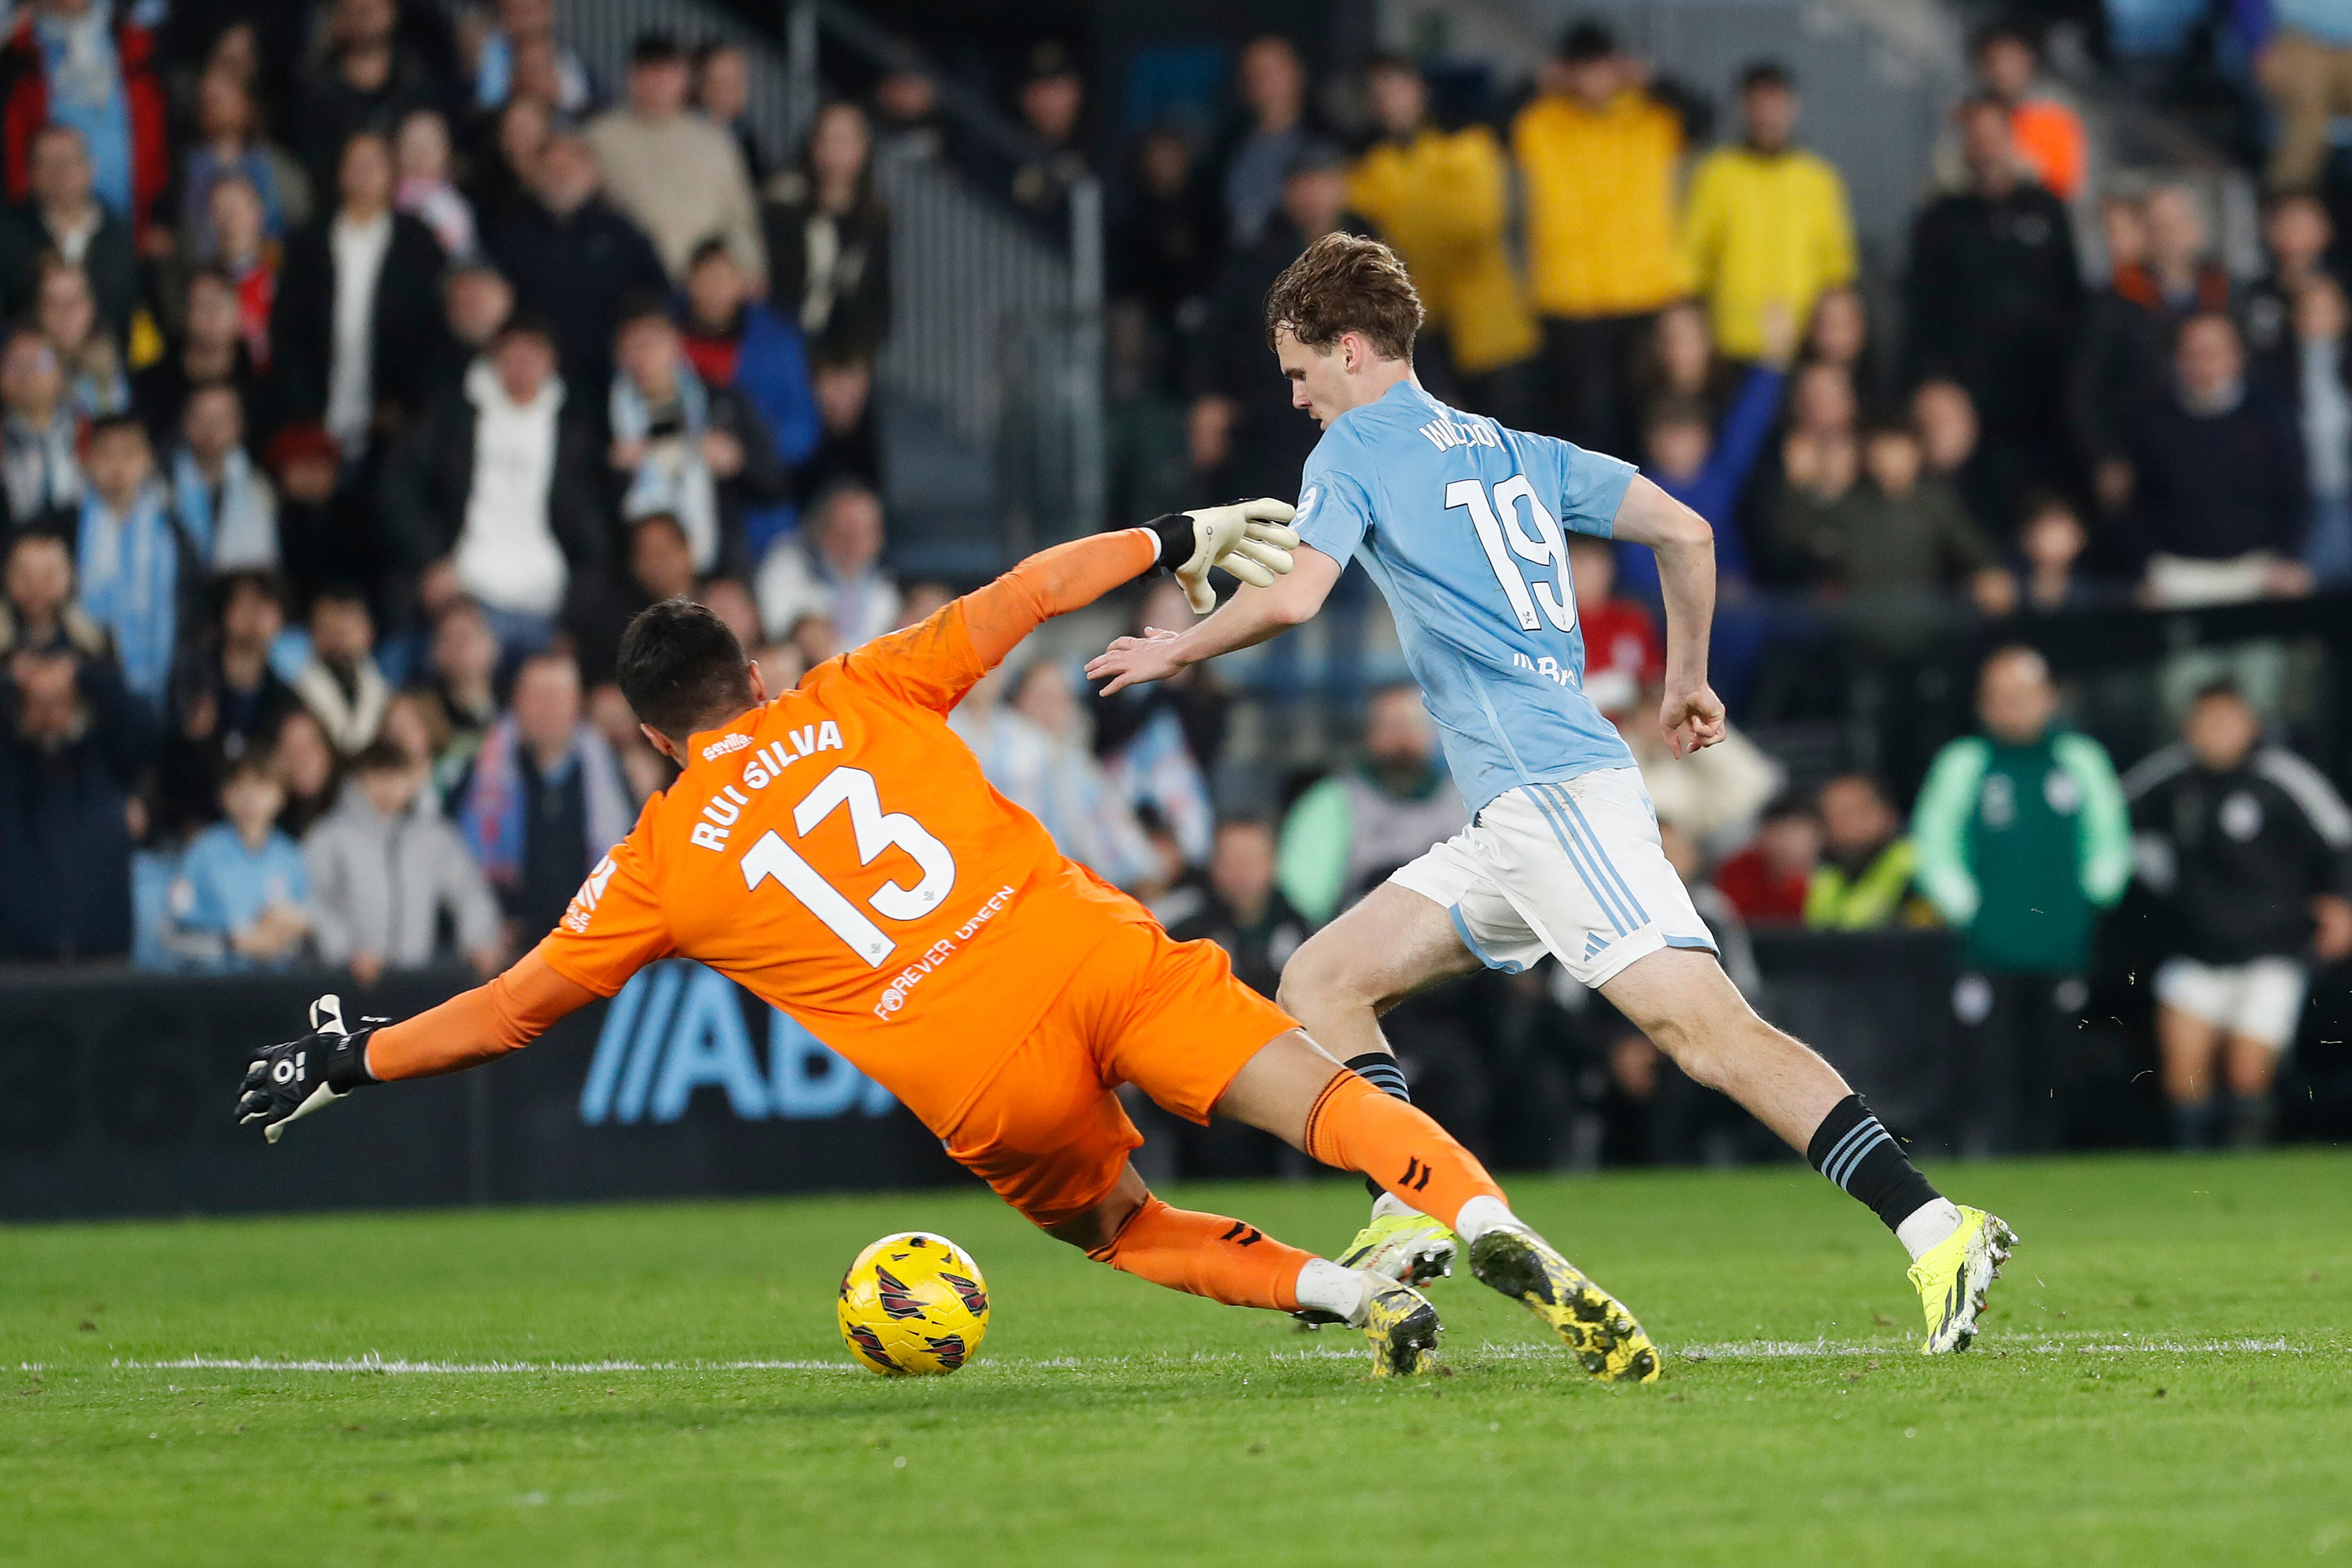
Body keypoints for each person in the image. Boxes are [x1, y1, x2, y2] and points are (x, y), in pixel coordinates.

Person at [233, 519, 1645, 1386]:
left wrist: (351, 1056)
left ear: (653, 736)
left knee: (1121, 1227)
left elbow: (507, 1012)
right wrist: (1176, 534)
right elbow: (1033, 589)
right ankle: (1475, 1218)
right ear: (752, 671)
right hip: (1084, 950)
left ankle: (1349, 1295)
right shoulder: (857, 685)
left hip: (978, 1076)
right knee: (1326, 1101)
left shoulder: (657, 858)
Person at [1087, 231, 2014, 1354]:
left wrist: (1171, 650)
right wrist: (1686, 680)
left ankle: (1930, 1224)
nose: (1294, 399)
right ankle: (1402, 1206)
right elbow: (1687, 530)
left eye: (1297, 372)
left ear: (1348, 349)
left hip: (1553, 797)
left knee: (1706, 1034)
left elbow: (1293, 602)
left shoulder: (1353, 454)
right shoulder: (1513, 446)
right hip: (1521, 812)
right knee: (1324, 976)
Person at [1911, 646, 2131, 1154]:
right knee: (1992, 1065)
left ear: (2049, 699)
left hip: (2062, 940)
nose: (2011, 709)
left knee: (2057, 1060)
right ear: (1983, 704)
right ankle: (1998, 1156)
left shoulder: (2080, 759)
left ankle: (2054, 1157)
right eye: (2000, 698)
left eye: (2023, 697)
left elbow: (2109, 840)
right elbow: (1933, 841)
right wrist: (1968, 910)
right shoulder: (1964, 762)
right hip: (1986, 945)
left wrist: (2088, 902)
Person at [2124, 682, 2352, 1149]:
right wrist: (2157, 877)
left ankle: (2247, 1170)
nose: (2215, 733)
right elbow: (2111, 820)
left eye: (2226, 721)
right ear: (2188, 728)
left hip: (2271, 953)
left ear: (2249, 724)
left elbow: (2339, 841)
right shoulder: (2170, 778)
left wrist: (2341, 904)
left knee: (2247, 1074)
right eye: (2205, 722)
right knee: (2182, 1079)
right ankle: (2192, 1183)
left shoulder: (2282, 778)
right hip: (2195, 952)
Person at [381, 307, 607, 661]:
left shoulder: (575, 429)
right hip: (464, 593)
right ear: (495, 357)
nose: (522, 365)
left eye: (533, 353)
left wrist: (576, 611)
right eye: (513, 353)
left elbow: (592, 529)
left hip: (547, 603)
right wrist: (431, 558)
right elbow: (398, 484)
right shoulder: (453, 414)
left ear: (551, 360)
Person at [1511, 20, 1690, 455]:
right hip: (1569, 298)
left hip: (1644, 293)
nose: (1593, 81)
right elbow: (1488, 119)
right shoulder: (1541, 122)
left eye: (1602, 68)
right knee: (1578, 420)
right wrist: (1538, 82)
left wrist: (1652, 80)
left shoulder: (1652, 118)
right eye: (1582, 69)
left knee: (1643, 414)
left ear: (1618, 67)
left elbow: (1702, 113)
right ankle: (1580, 519)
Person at [1907, 96, 2081, 501]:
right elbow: (1923, 310)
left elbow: (2071, 298)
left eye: (1994, 135)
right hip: (1967, 394)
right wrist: (1933, 384)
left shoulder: (2047, 209)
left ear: (2011, 139)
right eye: (1976, 136)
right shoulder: (1940, 220)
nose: (1986, 146)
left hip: (2041, 396)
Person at [1346, 54, 1537, 415]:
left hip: (1491, 333)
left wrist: (1405, 224)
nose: (1388, 101)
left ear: (1421, 91)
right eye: (1378, 93)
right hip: (1424, 335)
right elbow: (1371, 239)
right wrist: (1437, 210)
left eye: (1397, 89)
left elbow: (1478, 222)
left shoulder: (1470, 146)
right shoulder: (1369, 168)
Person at [270, 129, 447, 457]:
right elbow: (286, 327)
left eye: (374, 164)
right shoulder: (310, 240)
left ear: (393, 173)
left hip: (395, 420)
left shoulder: (418, 242)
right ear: (340, 173)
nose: (364, 174)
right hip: (316, 414)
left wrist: (405, 404)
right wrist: (302, 405)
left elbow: (431, 329)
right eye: (355, 164)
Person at [1678, 61, 1855, 367]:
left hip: (1801, 342)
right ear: (1743, 107)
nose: (1767, 116)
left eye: (1776, 104)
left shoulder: (1817, 179)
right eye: (1758, 105)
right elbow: (1691, 259)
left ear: (1793, 107)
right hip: (1729, 341)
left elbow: (1836, 265)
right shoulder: (1716, 174)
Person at [2125, 313, 2310, 604]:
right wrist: (2144, 570)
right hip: (2180, 575)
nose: (2203, 361)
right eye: (2192, 353)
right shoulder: (2154, 421)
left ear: (2237, 355)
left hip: (2260, 570)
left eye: (2212, 352)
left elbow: (2294, 491)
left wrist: (2290, 557)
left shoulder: (2271, 414)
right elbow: (2142, 504)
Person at [457, 649, 632, 944]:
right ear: (517, 702)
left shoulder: (608, 774)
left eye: (558, 696)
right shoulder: (482, 772)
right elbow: (459, 860)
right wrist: (485, 924)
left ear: (577, 705)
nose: (548, 708)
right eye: (538, 696)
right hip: (511, 948)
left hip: (591, 941)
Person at [610, 297, 787, 582]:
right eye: (632, 345)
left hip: (716, 571)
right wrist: (615, 474)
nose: (642, 355)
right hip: (637, 576)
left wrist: (738, 460)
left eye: (651, 342)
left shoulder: (721, 403)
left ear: (675, 343)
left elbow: (775, 481)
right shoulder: (604, 418)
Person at [303, 736, 503, 986]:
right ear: (360, 779)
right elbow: (313, 902)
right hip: (348, 981)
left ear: (411, 781)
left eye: (397, 776)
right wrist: (346, 951)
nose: (388, 788)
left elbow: (469, 892)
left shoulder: (434, 836)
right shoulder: (329, 836)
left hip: (416, 983)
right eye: (378, 776)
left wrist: (479, 940)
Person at [484, 131, 668, 396]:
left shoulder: (620, 231)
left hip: (608, 373)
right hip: (532, 375)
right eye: (552, 169)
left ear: (592, 174)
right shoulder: (511, 232)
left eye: (571, 168)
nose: (561, 176)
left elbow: (657, 292)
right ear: (535, 175)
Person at [0, 644, 154, 959]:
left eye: (59, 701)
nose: (48, 713)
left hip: (101, 957)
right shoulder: (8, 766)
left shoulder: (105, 760)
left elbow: (146, 727)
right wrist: (12, 681)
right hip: (16, 965)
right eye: (37, 703)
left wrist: (84, 675)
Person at [1274, 682, 1467, 927]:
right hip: (1361, 943)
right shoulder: (1333, 801)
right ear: (1369, 734)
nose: (1402, 739)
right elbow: (1302, 905)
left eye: (1412, 725)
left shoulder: (1462, 799)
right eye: (1390, 726)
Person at [954, 656, 1157, 889]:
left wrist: (1144, 867)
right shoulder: (1013, 747)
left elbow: (1106, 822)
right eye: (1043, 697)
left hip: (1084, 878)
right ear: (1019, 700)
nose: (1055, 705)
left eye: (1062, 696)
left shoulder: (1068, 756)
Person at [677, 237, 820, 556]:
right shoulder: (668, 341)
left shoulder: (778, 343)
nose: (715, 289)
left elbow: (803, 428)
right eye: (706, 278)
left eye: (724, 278)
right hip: (685, 505)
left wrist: (747, 453)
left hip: (761, 510)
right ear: (689, 284)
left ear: (741, 283)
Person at [584, 32, 763, 283]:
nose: (659, 84)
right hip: (629, 280)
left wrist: (751, 268)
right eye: (650, 73)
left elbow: (739, 217)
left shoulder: (715, 141)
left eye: (668, 73)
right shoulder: (599, 137)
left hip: (704, 282)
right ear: (633, 77)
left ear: (685, 79)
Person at [0, 0, 171, 243]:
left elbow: (158, 133)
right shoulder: (20, 50)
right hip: (46, 234)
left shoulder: (132, 40)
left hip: (133, 225)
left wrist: (160, 214)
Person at [156, 568, 299, 835]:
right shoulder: (190, 682)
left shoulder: (286, 699)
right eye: (245, 604)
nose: (254, 615)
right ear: (225, 613)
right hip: (187, 832)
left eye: (265, 605)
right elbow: (164, 763)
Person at [73, 414, 198, 711]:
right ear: (87, 460)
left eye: (129, 453)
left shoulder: (173, 533)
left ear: (148, 460)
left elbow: (192, 614)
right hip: (83, 687)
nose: (118, 466)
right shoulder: (66, 529)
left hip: (163, 686)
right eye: (106, 453)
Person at [762, 100, 890, 365]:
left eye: (845, 139)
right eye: (828, 138)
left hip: (846, 362)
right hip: (787, 351)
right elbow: (777, 292)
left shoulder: (875, 220)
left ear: (863, 148)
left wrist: (857, 363)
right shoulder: (783, 206)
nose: (836, 149)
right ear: (813, 146)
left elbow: (876, 303)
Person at [164, 752, 312, 968]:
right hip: (213, 989)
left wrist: (283, 935)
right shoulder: (203, 853)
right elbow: (171, 936)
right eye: (241, 787)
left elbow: (307, 935)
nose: (251, 798)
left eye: (262, 786)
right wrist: (230, 943)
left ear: (281, 795)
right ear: (225, 795)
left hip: (276, 989)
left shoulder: (292, 857)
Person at [0, 122, 138, 335]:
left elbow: (128, 310)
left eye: (69, 160)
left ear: (90, 167)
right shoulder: (9, 233)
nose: (61, 172)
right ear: (32, 174)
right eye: (49, 163)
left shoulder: (118, 233)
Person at [1170, 816, 1310, 1001]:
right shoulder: (1184, 934)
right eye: (1232, 859)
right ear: (1214, 864)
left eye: (1250, 859)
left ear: (1272, 862)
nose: (1241, 871)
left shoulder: (1305, 934)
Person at [753, 478, 900, 650]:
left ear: (879, 538)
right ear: (821, 530)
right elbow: (773, 631)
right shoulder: (787, 564)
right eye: (844, 531)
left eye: (864, 532)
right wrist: (801, 632)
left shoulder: (887, 589)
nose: (854, 542)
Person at [133, 267, 267, 446]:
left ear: (239, 313)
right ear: (185, 313)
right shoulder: (150, 386)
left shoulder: (261, 386)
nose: (213, 315)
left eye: (222, 304)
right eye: (202, 304)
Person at [1217, 35, 1317, 249]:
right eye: (1254, 74)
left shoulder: (1328, 142)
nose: (1264, 82)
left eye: (1273, 71)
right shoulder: (1226, 149)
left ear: (1297, 73)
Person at [171, 382, 277, 572]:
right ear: (185, 423)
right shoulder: (164, 484)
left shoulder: (259, 487)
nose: (210, 429)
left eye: (221, 421)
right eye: (201, 419)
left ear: (240, 425)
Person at [1804, 772, 1923, 931]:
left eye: (1855, 811)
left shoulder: (1920, 871)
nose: (1845, 824)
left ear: (1889, 815)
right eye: (1833, 816)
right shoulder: (1825, 876)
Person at [2254, 0, 2352, 191]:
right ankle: (2285, 202)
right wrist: (2259, 46)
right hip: (2297, 37)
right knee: (2307, 119)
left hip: (2347, 40)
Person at [292, 585, 389, 754]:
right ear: (313, 634)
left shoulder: (384, 689)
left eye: (350, 625)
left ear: (370, 631)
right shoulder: (296, 695)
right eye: (328, 626)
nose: (341, 635)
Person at [0, 326, 79, 529]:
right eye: (15, 363)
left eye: (40, 361)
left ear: (60, 370)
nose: (28, 373)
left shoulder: (87, 428)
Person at [1714, 794, 1821, 926]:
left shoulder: (1832, 878)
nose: (1786, 842)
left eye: (1795, 831)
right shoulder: (1738, 873)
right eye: (1779, 832)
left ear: (1818, 837)